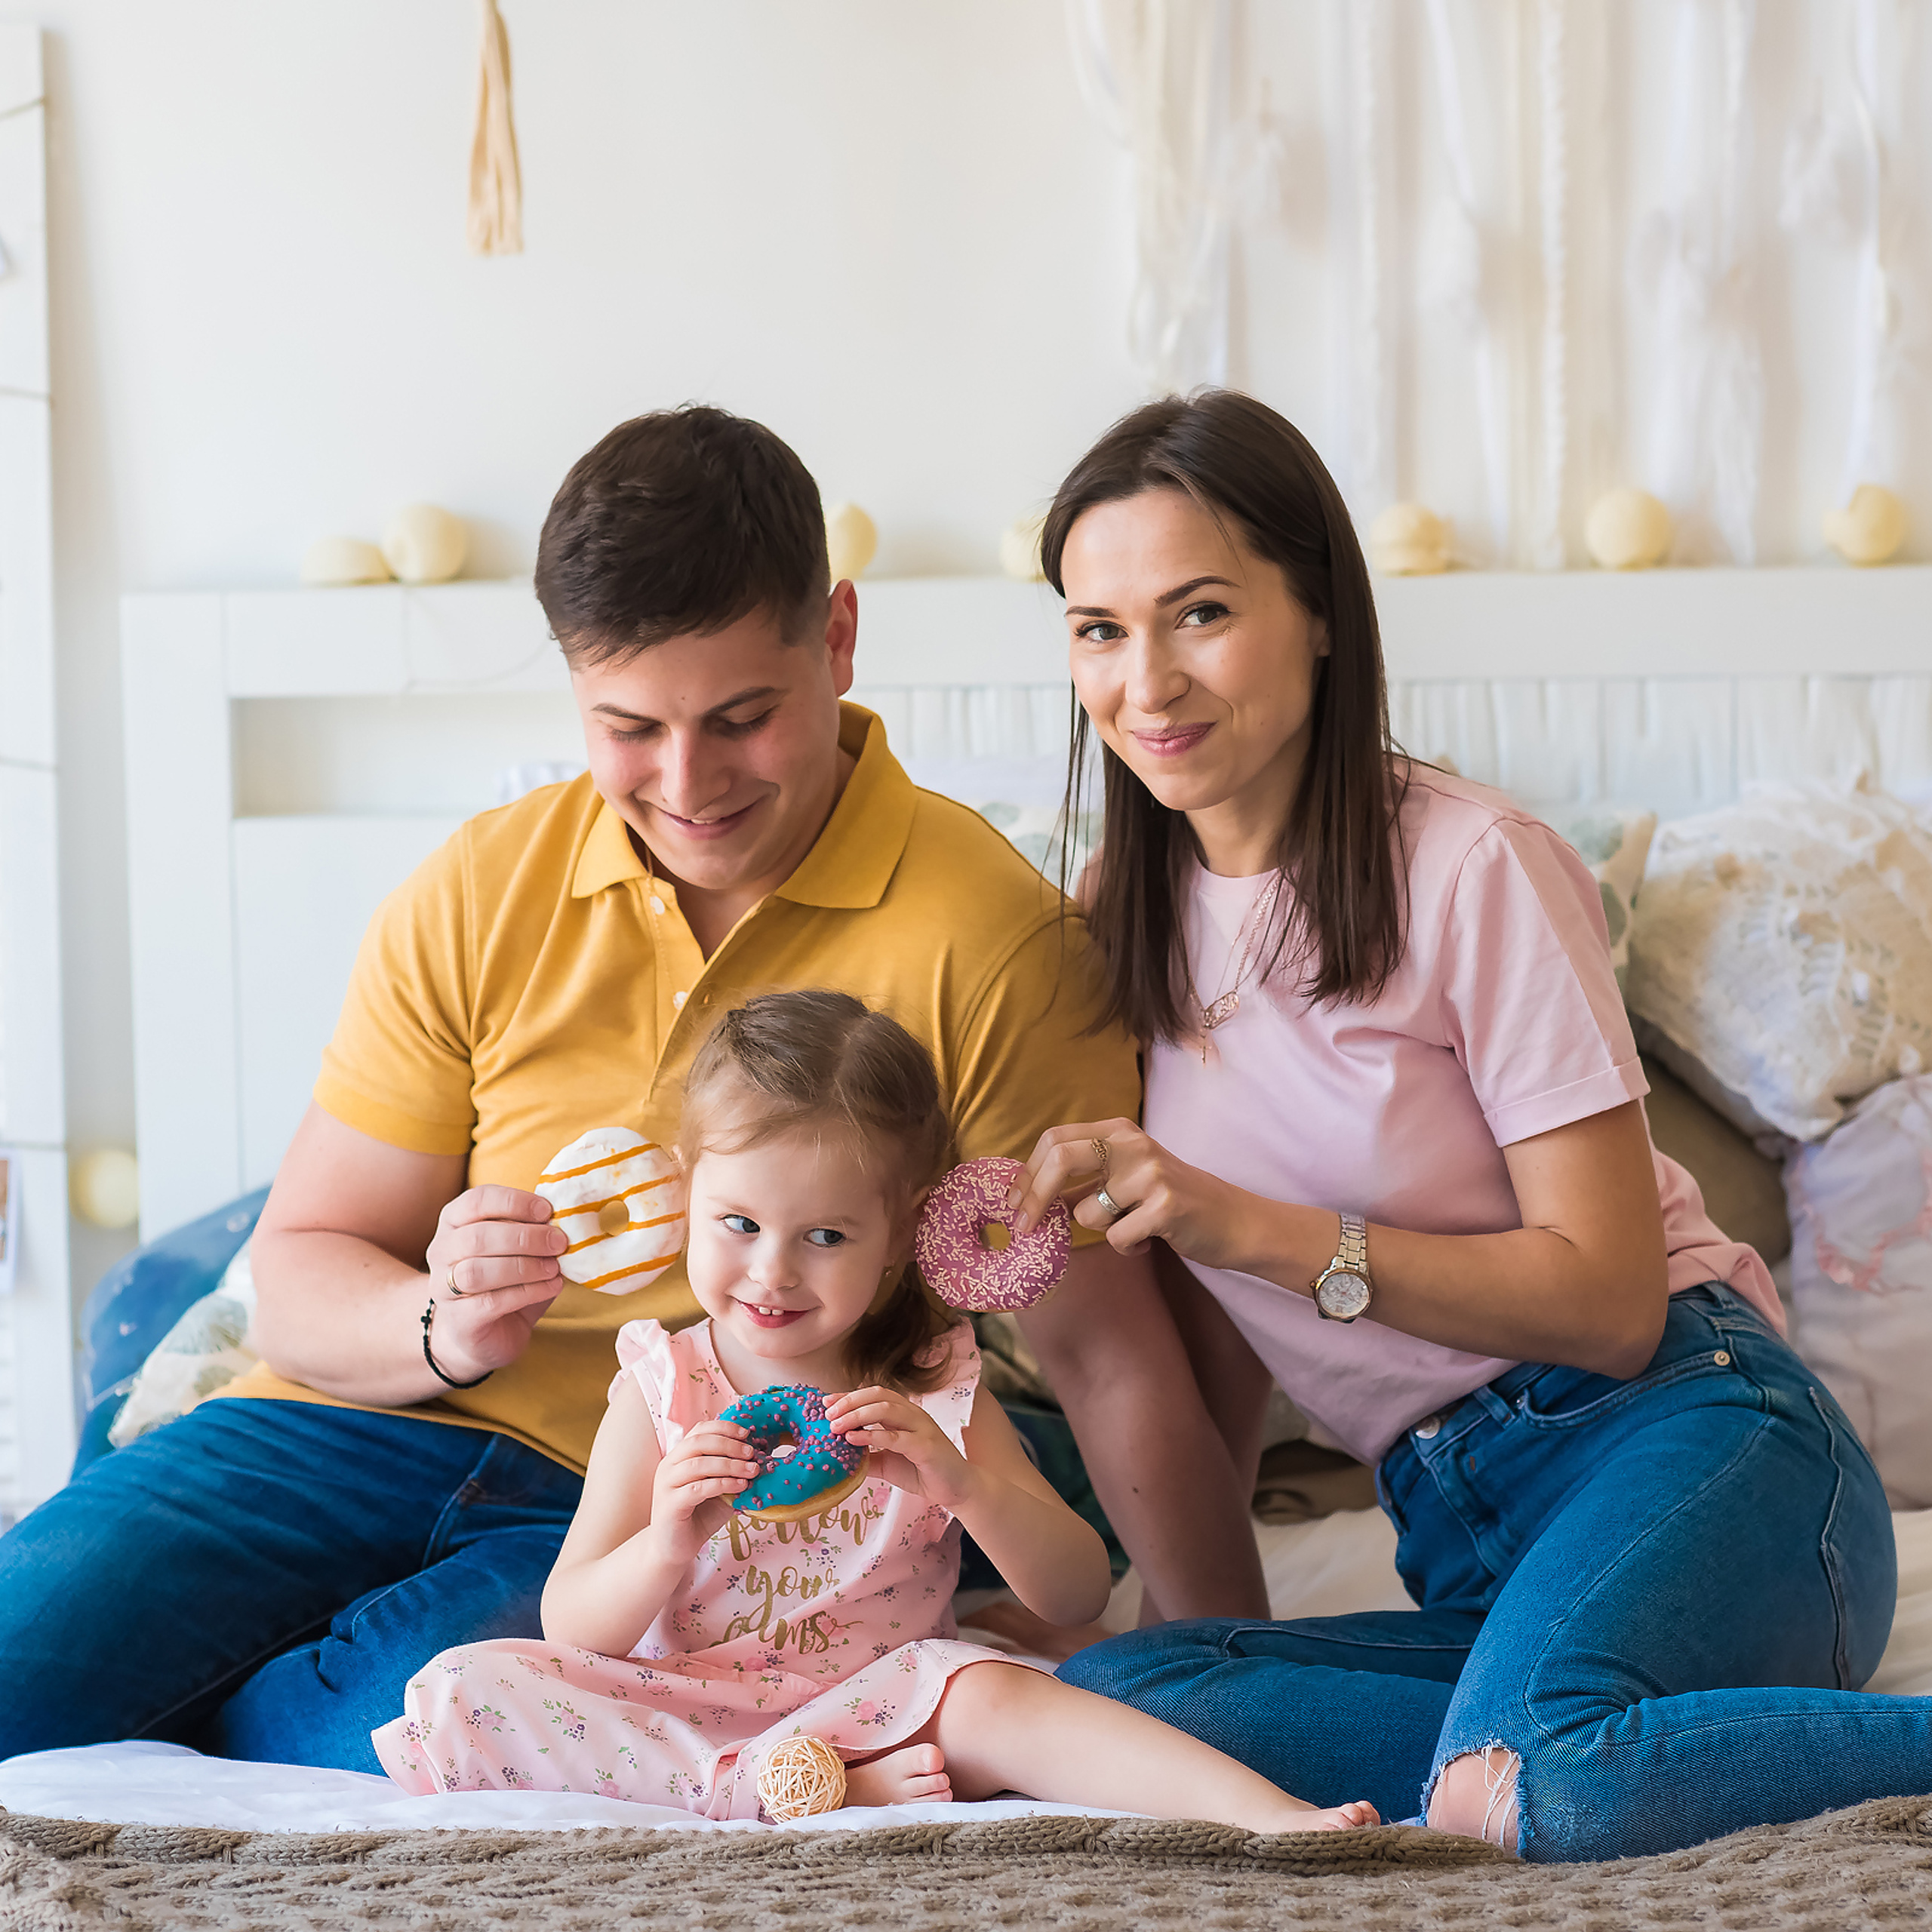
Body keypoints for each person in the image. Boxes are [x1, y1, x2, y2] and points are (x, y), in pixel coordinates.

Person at [0, 407, 1266, 1775]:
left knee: (385, 1736)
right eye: (628, 729)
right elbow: (299, 1266)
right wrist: (440, 1322)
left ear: (835, 640)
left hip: (637, 1504)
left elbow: (1105, 1355)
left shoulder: (992, 939)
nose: (686, 783)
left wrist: (1224, 1670)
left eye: (742, 718)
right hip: (319, 1435)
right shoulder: (484, 886)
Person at [1001, 389, 1920, 1863]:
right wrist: (1205, 1619)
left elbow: (1611, 1302)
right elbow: (1221, 1339)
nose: (1144, 679)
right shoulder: (1120, 919)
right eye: (1096, 627)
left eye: (1199, 612)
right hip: (1464, 1539)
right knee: (1120, 1697)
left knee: (1540, 1770)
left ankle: (1560, 1748)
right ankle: (1566, 1740)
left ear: (1315, 613)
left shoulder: (1469, 863)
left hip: (1687, 1440)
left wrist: (1254, 1228)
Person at [374, 990, 1377, 1830]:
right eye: (738, 1223)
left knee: (1007, 1690)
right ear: (686, 1201)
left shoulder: (931, 1378)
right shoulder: (663, 1386)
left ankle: (1269, 1816)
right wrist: (666, 1544)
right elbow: (573, 1626)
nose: (772, 1269)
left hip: (884, 1698)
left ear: (898, 1235)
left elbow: (1073, 1593)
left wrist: (966, 1485)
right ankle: (778, 1791)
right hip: (685, 1712)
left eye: (825, 1235)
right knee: (458, 1692)